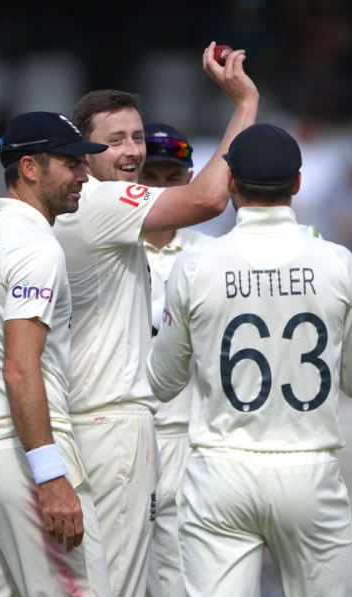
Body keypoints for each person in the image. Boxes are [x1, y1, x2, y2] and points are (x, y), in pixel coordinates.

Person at [52, 41, 259, 596]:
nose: (131, 151)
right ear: (82, 151)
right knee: (120, 586)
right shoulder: (97, 204)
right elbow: (210, 200)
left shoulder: (82, 213)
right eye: (114, 139)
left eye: (137, 137)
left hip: (109, 422)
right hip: (109, 422)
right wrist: (244, 107)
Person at [147, 123, 352, 597]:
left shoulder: (196, 265)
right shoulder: (336, 261)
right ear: (297, 184)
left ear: (229, 181)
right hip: (309, 470)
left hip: (220, 472)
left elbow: (163, 381)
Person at [0, 112, 113, 597]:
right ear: (30, 167)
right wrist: (50, 475)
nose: (84, 176)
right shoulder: (35, 246)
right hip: (21, 456)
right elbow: (20, 369)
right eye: (71, 163)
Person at [139, 122, 207, 597]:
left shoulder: (211, 257)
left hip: (187, 437)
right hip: (124, 432)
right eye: (151, 177)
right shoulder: (106, 251)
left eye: (172, 177)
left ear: (189, 181)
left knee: (182, 584)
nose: (160, 190)